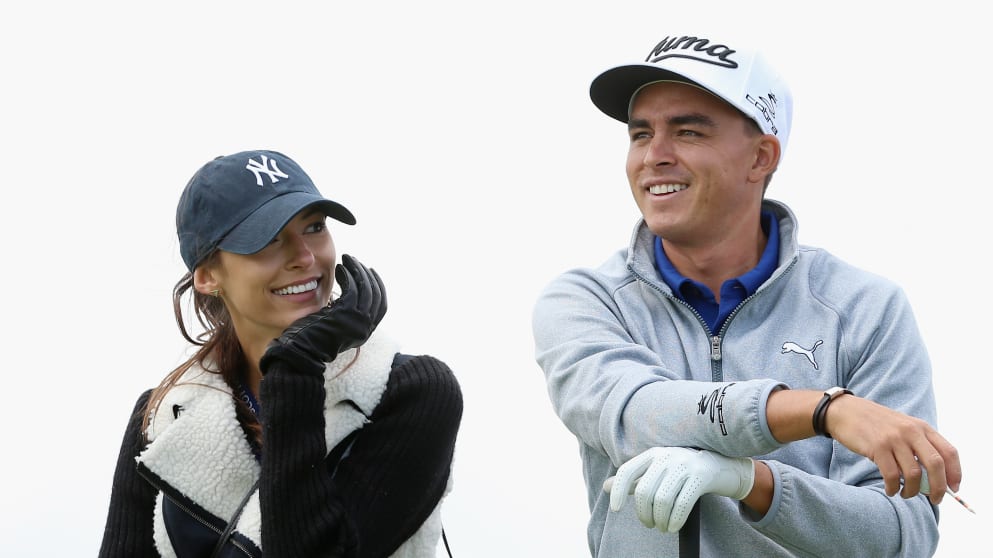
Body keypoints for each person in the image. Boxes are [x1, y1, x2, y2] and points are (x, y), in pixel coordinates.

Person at [531, 35, 963, 557]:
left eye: (687, 131)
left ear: (761, 157)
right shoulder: (588, 300)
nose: (655, 156)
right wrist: (823, 411)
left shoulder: (865, 309)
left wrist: (752, 482)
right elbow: (637, 413)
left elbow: (903, 536)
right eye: (641, 134)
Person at [99, 149, 463, 558]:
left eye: (314, 227)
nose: (305, 258)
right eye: (268, 240)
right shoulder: (159, 418)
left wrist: (295, 368)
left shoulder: (410, 392)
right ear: (207, 276)